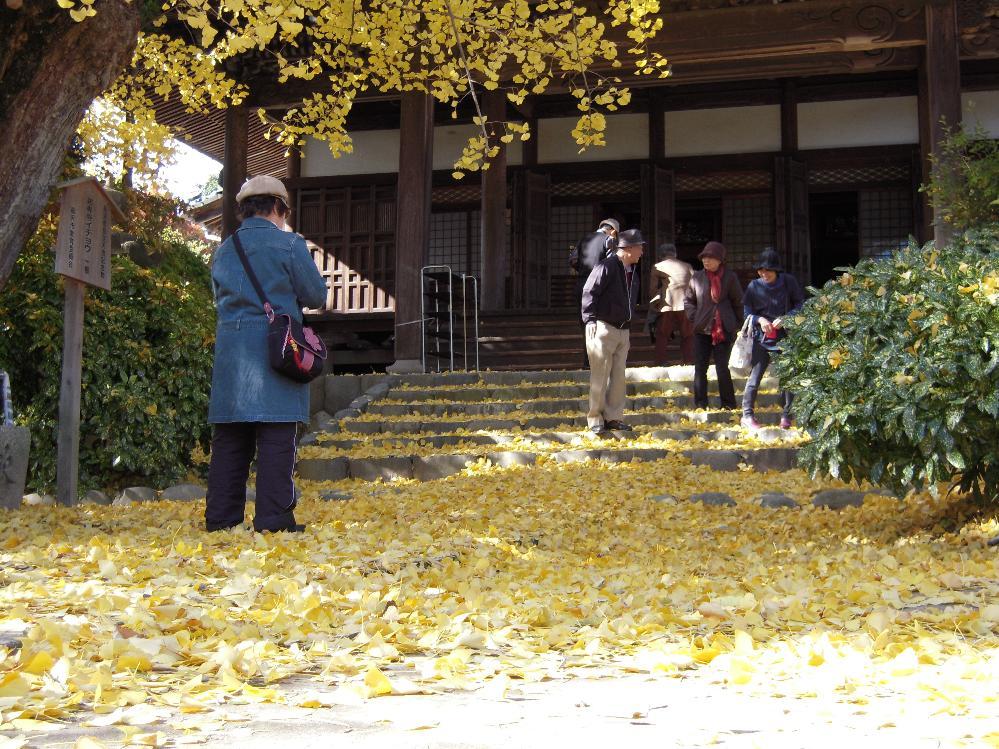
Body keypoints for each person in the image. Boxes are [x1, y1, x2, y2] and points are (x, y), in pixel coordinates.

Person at [205, 175, 328, 533]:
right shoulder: (290, 245)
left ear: (245, 211)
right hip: (277, 347)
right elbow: (316, 296)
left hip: (231, 350)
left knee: (230, 439)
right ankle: (274, 520)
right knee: (277, 434)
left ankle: (222, 520)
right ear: (278, 207)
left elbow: (217, 298)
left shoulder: (224, 249)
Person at [581, 228, 644, 434]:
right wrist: (589, 320)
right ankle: (595, 420)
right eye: (639, 247)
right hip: (603, 327)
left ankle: (614, 418)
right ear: (628, 249)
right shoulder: (606, 266)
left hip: (623, 330)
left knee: (618, 376)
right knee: (600, 375)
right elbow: (590, 291)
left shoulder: (633, 271)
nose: (642, 251)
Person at [741, 248, 805, 430]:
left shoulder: (788, 282)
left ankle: (787, 415)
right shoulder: (753, 286)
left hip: (785, 336)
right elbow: (747, 313)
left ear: (776, 270)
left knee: (788, 376)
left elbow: (801, 303)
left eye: (768, 270)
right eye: (760, 270)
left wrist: (787, 318)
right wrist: (759, 320)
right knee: (755, 377)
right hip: (761, 338)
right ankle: (747, 415)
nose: (763, 273)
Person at [683, 240, 743, 410]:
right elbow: (688, 300)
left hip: (723, 329)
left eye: (710, 258)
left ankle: (729, 404)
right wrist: (695, 316)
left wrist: (738, 323)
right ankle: (701, 404)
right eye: (704, 258)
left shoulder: (730, 277)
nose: (706, 261)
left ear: (720, 260)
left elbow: (738, 301)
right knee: (700, 367)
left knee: (722, 368)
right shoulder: (697, 277)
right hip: (702, 329)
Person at [570, 218, 619, 368]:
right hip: (600, 287)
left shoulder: (583, 239)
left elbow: (573, 260)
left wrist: (583, 271)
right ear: (613, 231)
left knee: (586, 325)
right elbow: (612, 263)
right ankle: (601, 361)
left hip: (581, 285)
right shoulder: (609, 240)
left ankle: (587, 362)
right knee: (603, 323)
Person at [646, 242, 694, 365]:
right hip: (686, 304)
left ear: (660, 255)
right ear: (675, 254)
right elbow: (694, 285)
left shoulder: (658, 266)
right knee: (688, 335)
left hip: (667, 304)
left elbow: (652, 288)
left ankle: (661, 362)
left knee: (662, 334)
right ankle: (688, 361)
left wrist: (653, 303)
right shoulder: (687, 265)